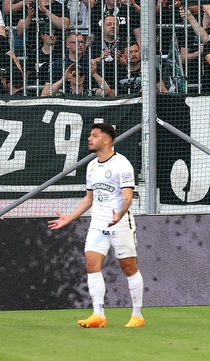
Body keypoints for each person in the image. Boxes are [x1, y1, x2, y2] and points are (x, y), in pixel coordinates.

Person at [47, 123, 144, 328]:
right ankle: (98, 314)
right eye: (90, 136)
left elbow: (127, 197)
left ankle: (137, 315)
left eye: (94, 136)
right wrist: (69, 218)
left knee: (128, 267)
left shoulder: (122, 164)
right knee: (91, 265)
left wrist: (118, 215)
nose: (89, 139)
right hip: (98, 224)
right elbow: (89, 198)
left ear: (106, 140)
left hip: (120, 224)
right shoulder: (92, 166)